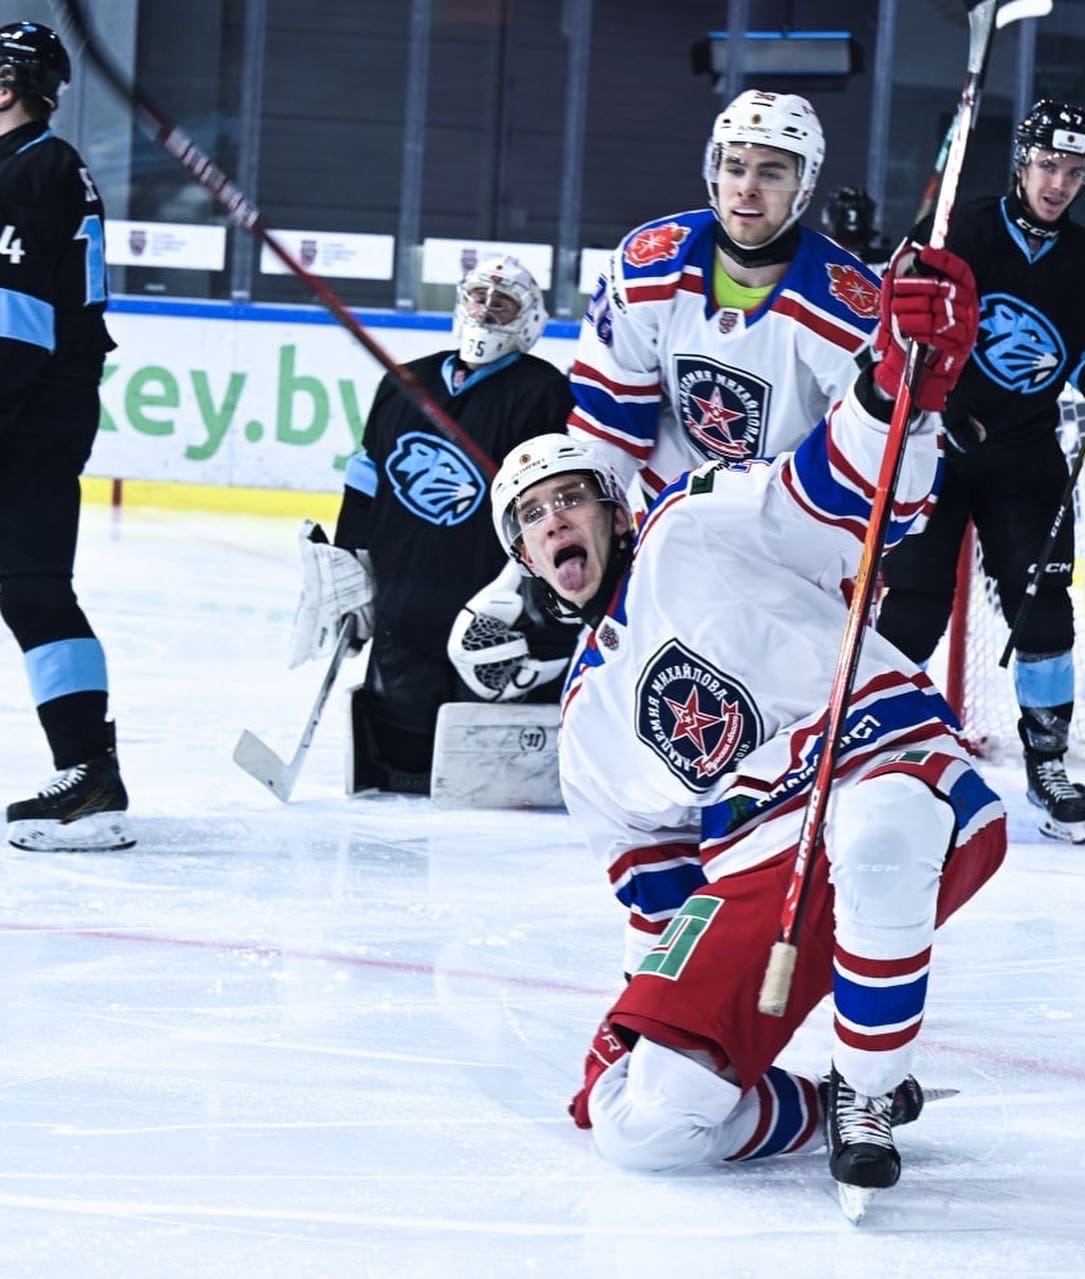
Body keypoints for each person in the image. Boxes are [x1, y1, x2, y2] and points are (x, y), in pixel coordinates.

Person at [488, 246, 1008, 1218]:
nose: (553, 520)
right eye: (532, 516)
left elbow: (837, 494)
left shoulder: (690, 525)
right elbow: (665, 900)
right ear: (523, 555)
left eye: (569, 497)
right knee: (641, 1128)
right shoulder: (586, 734)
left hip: (890, 774)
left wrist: (893, 386)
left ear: (613, 510)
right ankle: (824, 1104)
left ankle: (867, 1085)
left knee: (881, 829)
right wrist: (642, 1015)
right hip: (765, 872)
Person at [875, 100, 1085, 845]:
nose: (1057, 184)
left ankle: (1047, 763)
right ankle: (868, 743)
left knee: (1043, 613)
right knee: (913, 610)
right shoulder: (959, 230)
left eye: (1073, 171)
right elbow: (893, 322)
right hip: (935, 447)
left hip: (1024, 460)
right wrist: (933, 402)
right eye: (1047, 166)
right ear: (1022, 164)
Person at [288, 255, 578, 793]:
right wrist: (351, 558)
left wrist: (531, 588)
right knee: (400, 743)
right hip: (403, 592)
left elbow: (553, 501)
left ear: (528, 320)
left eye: (503, 303)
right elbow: (367, 476)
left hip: (486, 598)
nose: (485, 311)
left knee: (484, 738)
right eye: (478, 297)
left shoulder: (543, 392)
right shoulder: (406, 381)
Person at [567, 89, 882, 506]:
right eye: (734, 167)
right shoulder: (648, 263)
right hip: (667, 511)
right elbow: (610, 421)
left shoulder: (849, 309)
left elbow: (868, 464)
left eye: (772, 174)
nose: (747, 188)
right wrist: (594, 516)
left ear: (804, 188)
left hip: (787, 525)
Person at [1, 20, 132, 852]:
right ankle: (88, 769)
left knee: (35, 589)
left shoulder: (30, 171)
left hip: (31, 414)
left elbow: (17, 328)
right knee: (30, 589)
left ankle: (89, 772)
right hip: (40, 409)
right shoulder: (36, 165)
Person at [820, 185, 893, 264]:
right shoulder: (819, 255)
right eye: (844, 213)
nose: (852, 218)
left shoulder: (886, 259)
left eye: (860, 212)